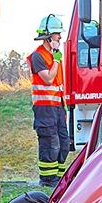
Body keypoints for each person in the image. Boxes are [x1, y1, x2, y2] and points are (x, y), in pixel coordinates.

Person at [30, 14, 70, 187]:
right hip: (44, 107)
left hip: (58, 106)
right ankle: (47, 179)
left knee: (64, 143)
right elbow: (48, 78)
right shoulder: (38, 56)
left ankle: (58, 178)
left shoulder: (55, 56)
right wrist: (55, 60)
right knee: (50, 143)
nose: (60, 37)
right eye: (57, 34)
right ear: (48, 36)